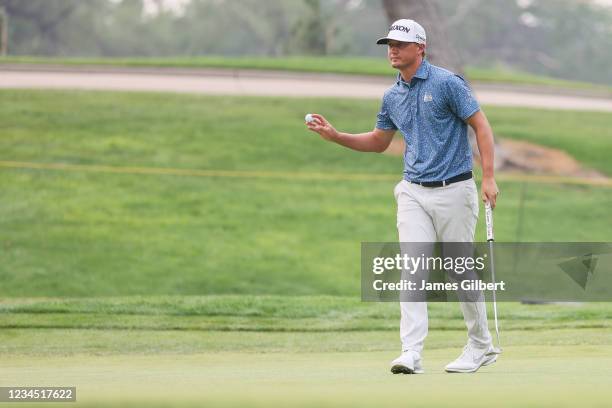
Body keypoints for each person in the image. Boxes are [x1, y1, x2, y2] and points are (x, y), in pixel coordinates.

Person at [306, 19, 500, 374]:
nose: (392, 50)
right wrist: (336, 136)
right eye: (389, 44)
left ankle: (480, 345)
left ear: (420, 48)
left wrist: (488, 177)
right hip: (412, 191)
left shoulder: (447, 83)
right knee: (412, 269)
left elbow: (481, 126)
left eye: (400, 44)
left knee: (459, 270)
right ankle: (411, 351)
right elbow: (380, 142)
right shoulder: (392, 95)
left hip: (455, 189)